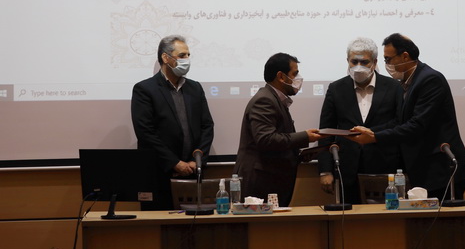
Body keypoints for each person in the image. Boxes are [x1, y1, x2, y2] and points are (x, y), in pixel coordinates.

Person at [349, 33, 465, 201]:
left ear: (405, 56)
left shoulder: (429, 79)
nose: (386, 64)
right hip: (423, 170)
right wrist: (370, 131)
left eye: (388, 59)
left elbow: (416, 125)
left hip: (441, 170)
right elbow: (399, 122)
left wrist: (375, 137)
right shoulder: (408, 83)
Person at [131, 35, 215, 209]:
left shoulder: (195, 87)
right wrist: (174, 163)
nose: (187, 60)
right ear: (165, 57)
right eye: (182, 55)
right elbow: (145, 132)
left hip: (192, 174)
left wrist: (197, 160)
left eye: (188, 55)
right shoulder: (145, 89)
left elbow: (207, 126)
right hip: (159, 174)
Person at [317, 37, 403, 204]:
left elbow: (399, 123)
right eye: (354, 61)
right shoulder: (336, 89)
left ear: (374, 62)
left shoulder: (394, 87)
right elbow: (326, 130)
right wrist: (325, 170)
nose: (358, 66)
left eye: (364, 62)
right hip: (347, 169)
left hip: (385, 168)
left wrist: (372, 134)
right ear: (347, 61)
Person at [233, 53, 322, 207]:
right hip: (261, 183)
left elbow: (277, 143)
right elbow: (266, 139)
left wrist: (299, 155)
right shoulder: (265, 100)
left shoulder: (276, 99)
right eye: (295, 73)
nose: (299, 78)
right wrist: (305, 137)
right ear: (281, 76)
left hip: (272, 180)